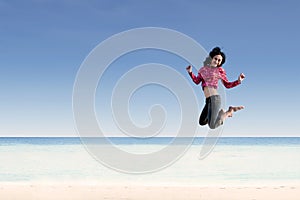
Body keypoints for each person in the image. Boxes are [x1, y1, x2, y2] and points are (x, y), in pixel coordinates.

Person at [186, 47, 245, 129]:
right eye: (215, 59)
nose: (217, 61)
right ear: (211, 58)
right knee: (202, 122)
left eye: (219, 60)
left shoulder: (220, 70)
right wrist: (190, 72)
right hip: (208, 100)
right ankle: (219, 114)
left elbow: (227, 85)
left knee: (212, 125)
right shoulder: (203, 70)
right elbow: (196, 81)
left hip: (215, 99)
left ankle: (229, 112)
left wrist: (238, 81)